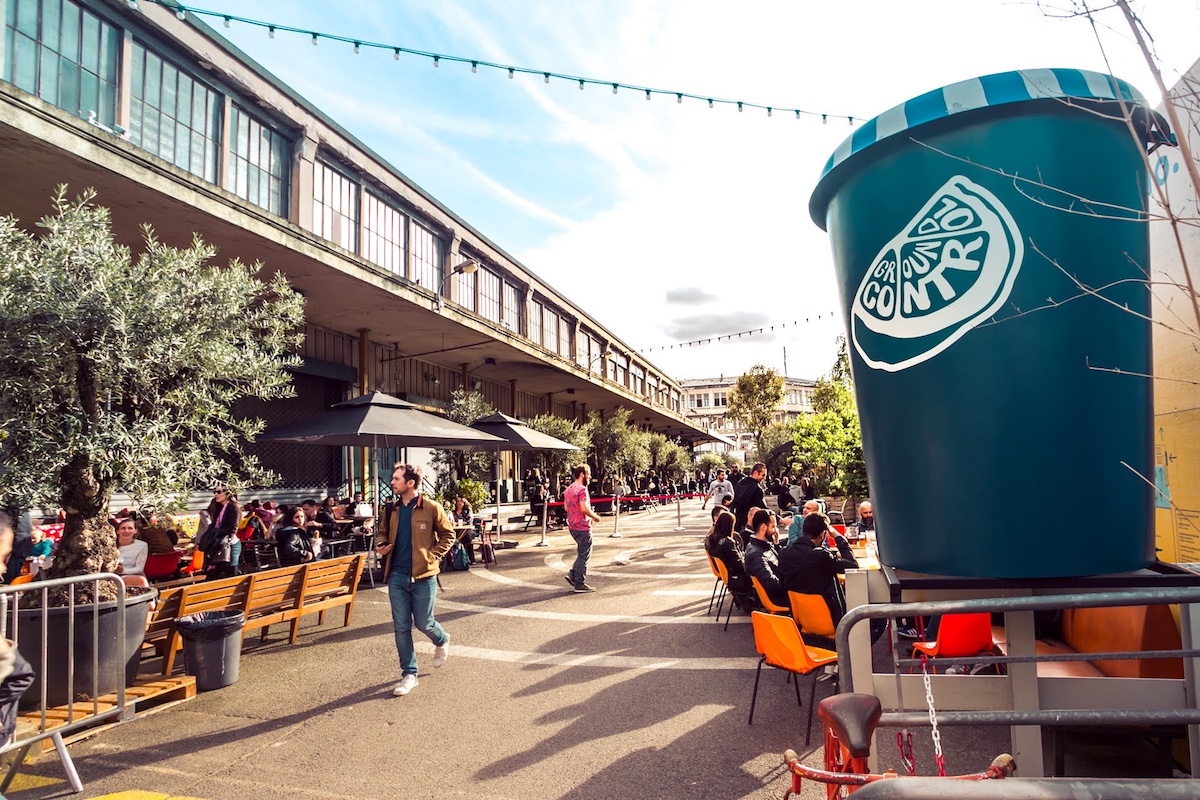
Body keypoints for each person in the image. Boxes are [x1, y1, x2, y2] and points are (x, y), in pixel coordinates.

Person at [375, 463, 454, 697]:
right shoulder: (390, 509)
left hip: (424, 576)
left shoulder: (431, 507)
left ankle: (442, 638)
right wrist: (381, 545)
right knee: (401, 627)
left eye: (397, 479)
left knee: (424, 623)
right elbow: (381, 531)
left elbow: (449, 534)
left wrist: (432, 555)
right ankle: (409, 674)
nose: (392, 482)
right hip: (397, 576)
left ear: (410, 483)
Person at [778, 512, 858, 628]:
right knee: (878, 620)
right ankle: (851, 645)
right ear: (823, 534)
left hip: (801, 619)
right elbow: (853, 565)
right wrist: (837, 536)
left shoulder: (784, 554)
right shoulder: (822, 557)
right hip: (833, 620)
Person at [704, 508, 754, 611]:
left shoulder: (713, 538)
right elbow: (738, 563)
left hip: (728, 572)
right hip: (735, 575)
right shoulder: (728, 542)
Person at [563, 463, 602, 593]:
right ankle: (580, 583)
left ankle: (573, 573)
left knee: (581, 553)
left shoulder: (568, 489)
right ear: (582, 475)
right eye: (588, 474)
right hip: (583, 526)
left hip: (572, 526)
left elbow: (566, 508)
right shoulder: (582, 490)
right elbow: (584, 508)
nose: (590, 477)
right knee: (584, 555)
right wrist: (595, 516)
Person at [743, 508, 786, 608]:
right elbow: (772, 585)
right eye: (773, 527)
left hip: (783, 590)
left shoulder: (764, 545)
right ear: (763, 527)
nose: (776, 530)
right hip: (779, 598)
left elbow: (781, 562)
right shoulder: (756, 555)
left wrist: (776, 544)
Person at [204, 486, 241, 578]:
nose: (216, 494)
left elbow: (233, 528)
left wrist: (216, 532)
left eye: (219, 492)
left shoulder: (233, 507)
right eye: (215, 492)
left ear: (228, 493)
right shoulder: (219, 507)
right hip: (218, 543)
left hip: (229, 544)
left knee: (231, 574)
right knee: (212, 575)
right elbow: (214, 524)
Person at [732, 462, 767, 534]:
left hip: (737, 521)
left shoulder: (741, 482)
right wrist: (778, 519)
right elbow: (763, 508)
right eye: (763, 475)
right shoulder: (757, 488)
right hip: (750, 523)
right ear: (755, 473)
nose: (764, 478)